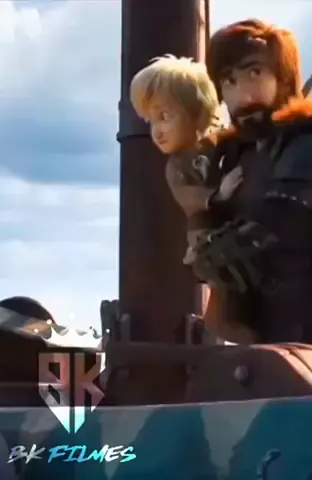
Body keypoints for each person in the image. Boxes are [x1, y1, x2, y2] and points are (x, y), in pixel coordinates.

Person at [191, 18, 312, 343]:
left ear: (283, 78)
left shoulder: (304, 143)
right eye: (229, 81)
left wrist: (220, 251)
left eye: (254, 74)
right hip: (260, 339)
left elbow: (284, 221)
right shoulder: (237, 156)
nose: (242, 97)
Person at [129, 55, 242, 265]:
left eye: (164, 117)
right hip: (206, 231)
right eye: (151, 121)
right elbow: (189, 195)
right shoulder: (177, 166)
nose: (156, 131)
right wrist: (218, 195)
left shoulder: (213, 145)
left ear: (197, 114)